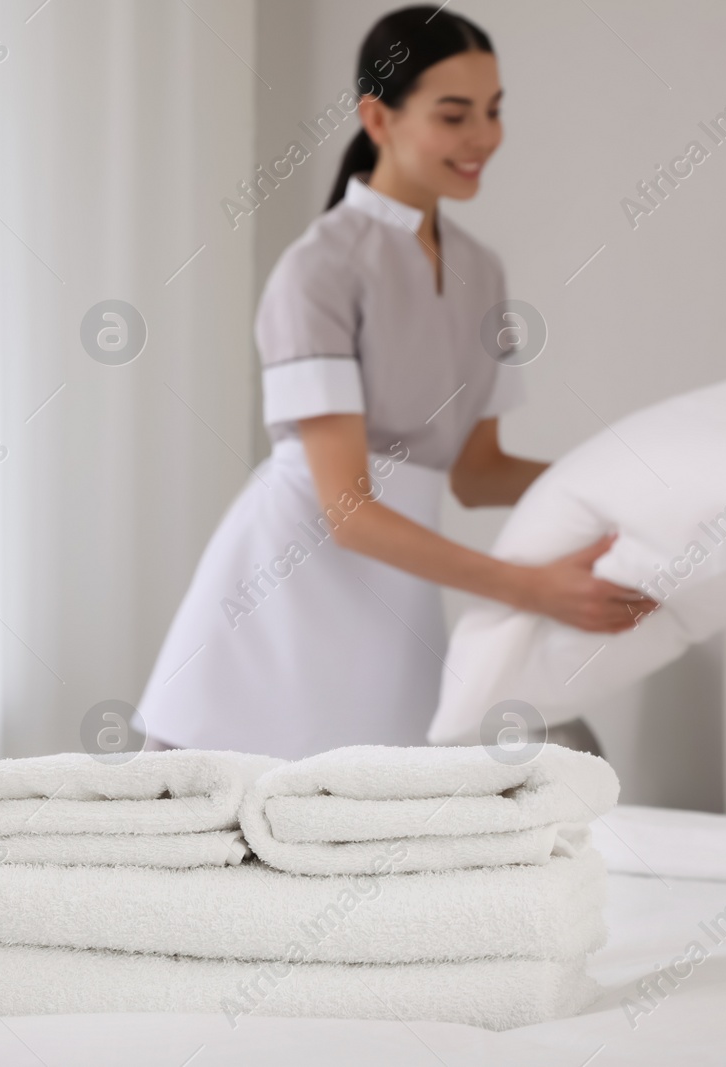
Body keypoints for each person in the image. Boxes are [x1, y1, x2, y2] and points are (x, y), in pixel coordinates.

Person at [137, 6, 655, 759]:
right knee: (201, 827)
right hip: (285, 583)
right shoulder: (319, 269)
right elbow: (346, 509)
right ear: (377, 118)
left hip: (395, 593)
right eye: (455, 115)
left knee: (368, 828)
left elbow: (477, 474)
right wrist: (529, 585)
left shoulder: (481, 271)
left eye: (493, 111)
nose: (484, 137)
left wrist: (632, 484)